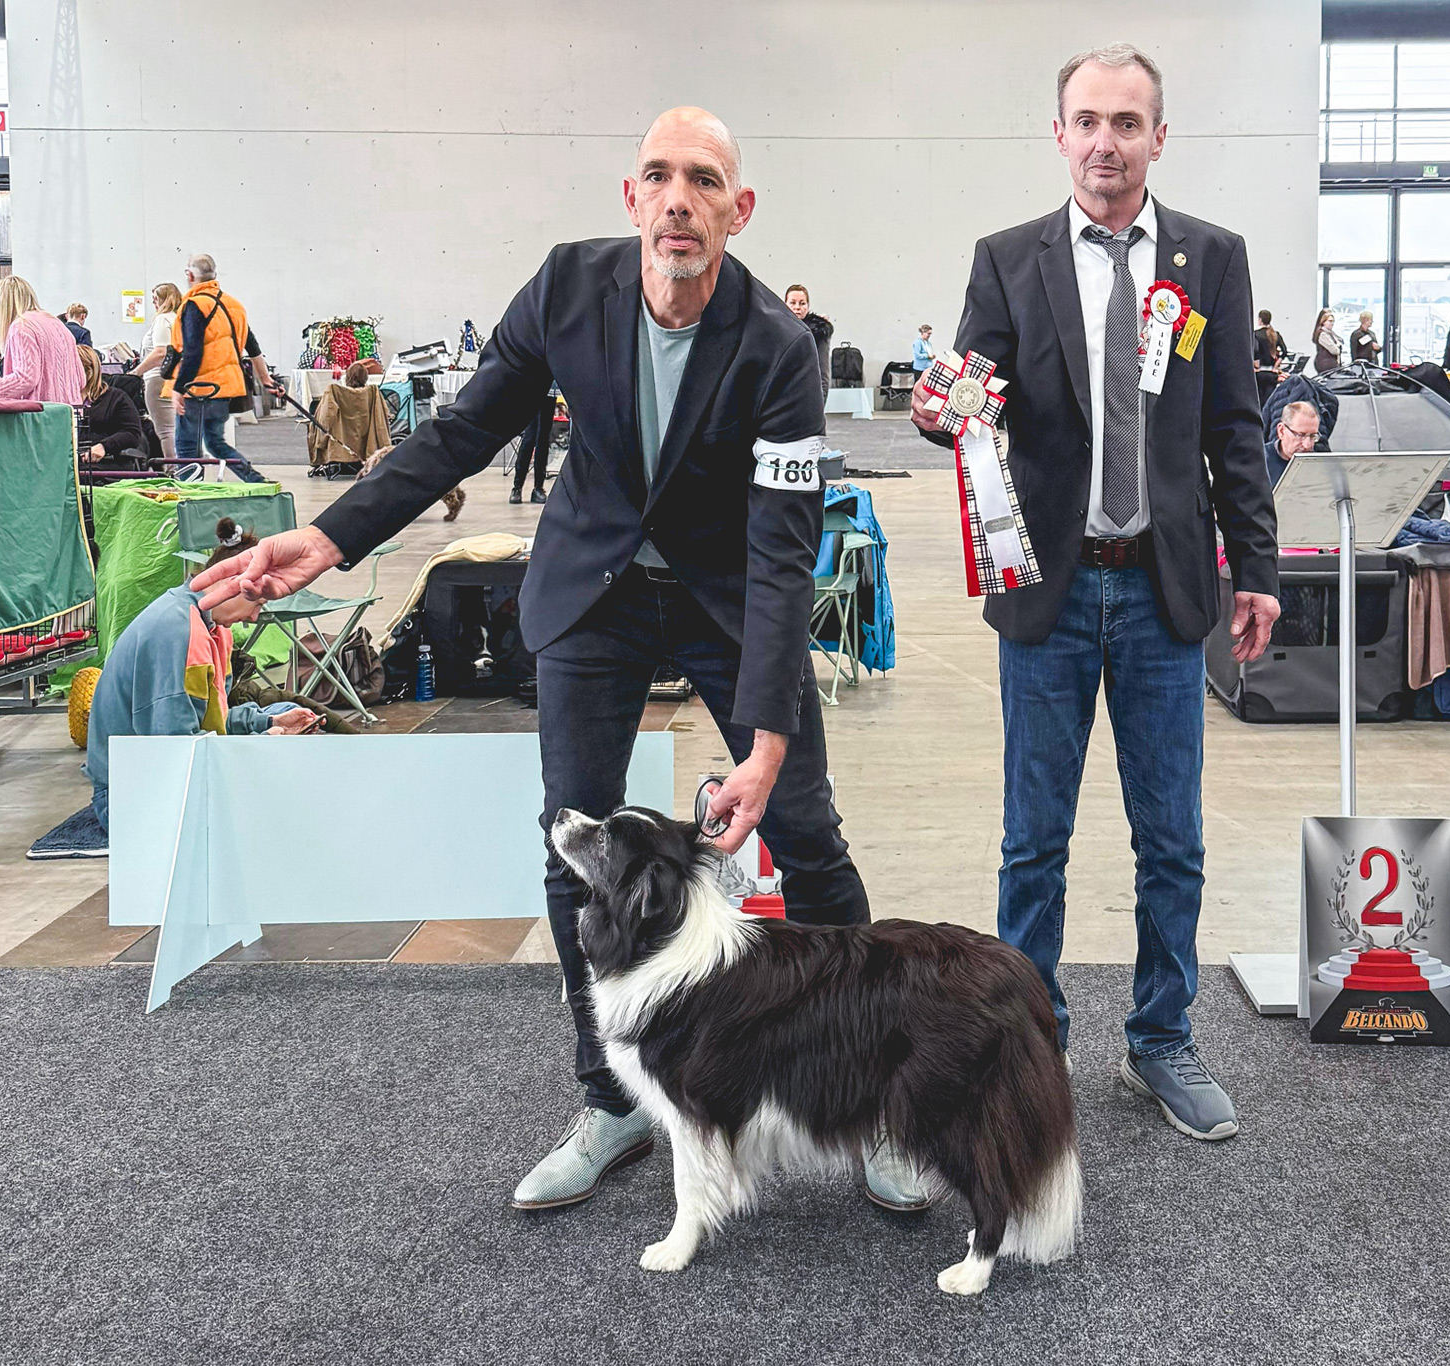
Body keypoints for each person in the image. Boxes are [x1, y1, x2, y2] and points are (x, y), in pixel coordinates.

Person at [191, 106, 885, 1211]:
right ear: (629, 198)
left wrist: (761, 743)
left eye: (702, 181)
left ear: (736, 211)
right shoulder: (566, 288)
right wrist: (329, 537)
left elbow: (779, 548)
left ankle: (868, 1097)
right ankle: (611, 1100)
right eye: (656, 175)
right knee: (577, 841)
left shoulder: (774, 346)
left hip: (725, 602)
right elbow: (460, 431)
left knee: (806, 831)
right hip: (594, 597)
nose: (677, 199)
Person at [914, 43, 1280, 1144]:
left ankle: (1160, 1039)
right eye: (1087, 121)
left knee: (1171, 838)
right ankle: (1030, 1043)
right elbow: (969, 399)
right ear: (1058, 134)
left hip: (1165, 595)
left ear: (1158, 138)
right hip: (1048, 598)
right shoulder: (1004, 260)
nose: (1106, 141)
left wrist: (1254, 569)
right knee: (1034, 840)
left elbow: (1231, 428)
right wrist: (947, 412)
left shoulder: (1210, 259)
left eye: (1128, 122)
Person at [83, 517, 316, 837]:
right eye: (257, 603)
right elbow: (177, 753)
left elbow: (209, 722)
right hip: (133, 798)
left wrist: (267, 726)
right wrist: (256, 749)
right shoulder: (178, 630)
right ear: (230, 582)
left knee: (278, 716)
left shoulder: (210, 624)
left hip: (163, 771)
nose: (253, 617)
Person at [170, 253, 283, 483]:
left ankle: (189, 495)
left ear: (190, 275)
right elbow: (253, 347)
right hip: (225, 389)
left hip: (197, 388)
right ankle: (255, 481)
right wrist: (266, 379)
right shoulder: (234, 305)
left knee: (186, 446)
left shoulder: (194, 305)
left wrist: (178, 388)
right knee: (215, 443)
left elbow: (193, 352)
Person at [0, 276, 85, 407]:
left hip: (41, 416)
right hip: (69, 416)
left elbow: (26, 378)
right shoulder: (57, 324)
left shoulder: (21, 327)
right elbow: (81, 379)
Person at [131, 282, 183, 460]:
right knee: (177, 427)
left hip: (158, 379)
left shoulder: (162, 319)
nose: (153, 303)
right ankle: (186, 468)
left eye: (155, 299)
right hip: (178, 379)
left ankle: (173, 470)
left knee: (166, 430)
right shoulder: (179, 318)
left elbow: (160, 352)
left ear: (164, 299)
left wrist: (135, 372)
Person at [74, 345, 147, 471]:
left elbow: (132, 433)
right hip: (65, 467)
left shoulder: (117, 398)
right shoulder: (58, 400)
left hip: (103, 466)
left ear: (90, 372)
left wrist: (104, 446)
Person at [508, 382, 561, 504]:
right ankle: (517, 487)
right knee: (529, 438)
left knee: (543, 439)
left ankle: (538, 488)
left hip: (549, 390)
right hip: (531, 389)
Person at [784, 284, 833, 395]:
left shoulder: (819, 333)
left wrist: (818, 407)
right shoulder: (776, 331)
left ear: (808, 306)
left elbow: (823, 374)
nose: (797, 307)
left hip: (806, 396)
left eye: (802, 303)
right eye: (792, 303)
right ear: (785, 304)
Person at [1263, 397, 1321, 486]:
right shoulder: (1259, 462)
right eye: (1300, 435)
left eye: (1313, 436)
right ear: (1281, 431)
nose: (1307, 445)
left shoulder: (1319, 466)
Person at [1252, 309, 1290, 375]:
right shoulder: (1276, 334)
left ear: (1260, 320)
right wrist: (1276, 365)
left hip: (1260, 371)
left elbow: (1256, 350)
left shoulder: (1256, 334)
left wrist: (1256, 365)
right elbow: (1284, 351)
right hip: (1272, 371)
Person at [1311, 308, 1343, 376]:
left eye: (1333, 321)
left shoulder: (1330, 333)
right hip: (1326, 364)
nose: (1332, 323)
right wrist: (1337, 346)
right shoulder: (1323, 334)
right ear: (1323, 321)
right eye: (1330, 321)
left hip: (1330, 363)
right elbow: (1334, 350)